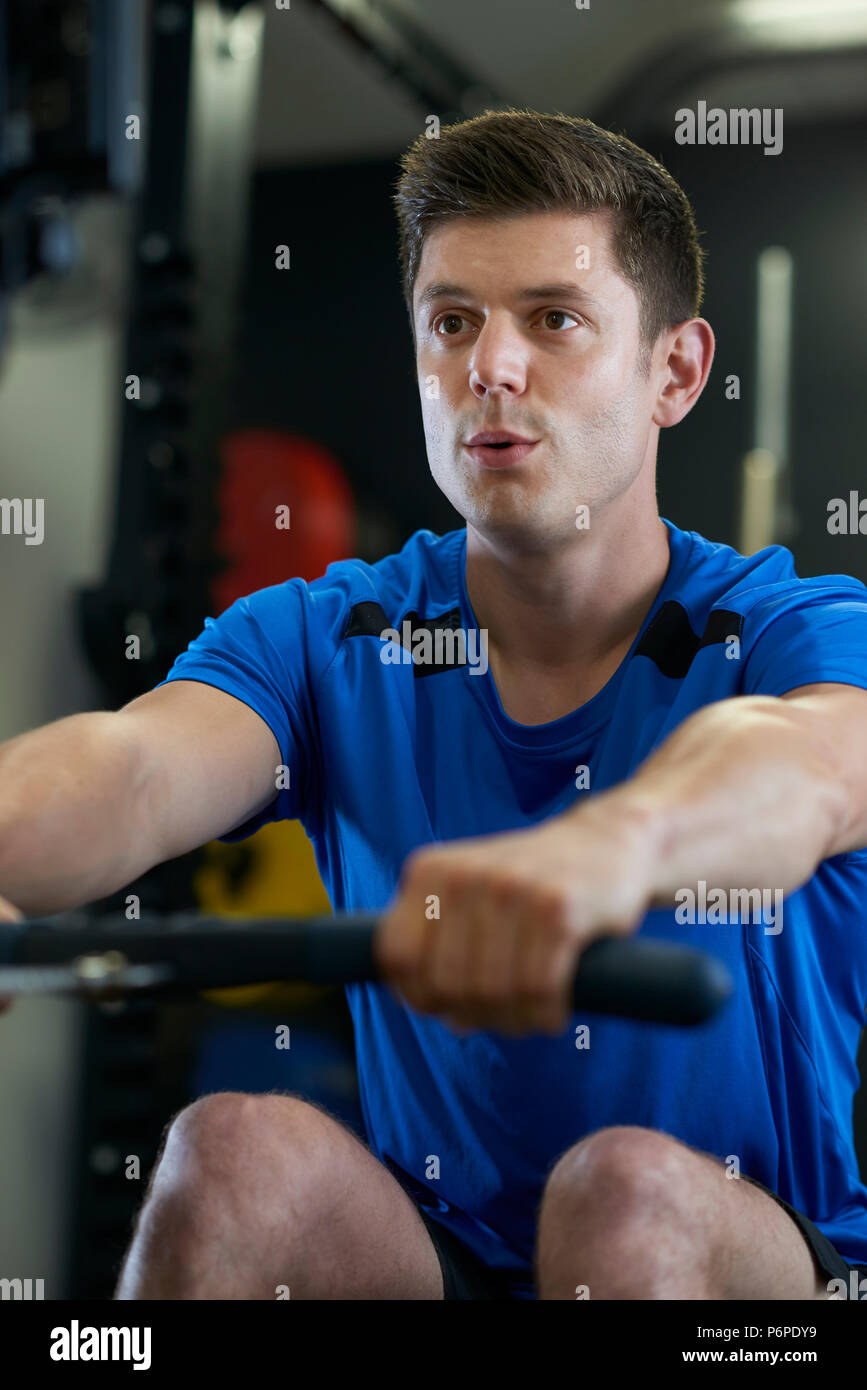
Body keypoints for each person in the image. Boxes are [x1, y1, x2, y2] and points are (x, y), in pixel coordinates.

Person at [2, 108, 867, 1301]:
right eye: (452, 322)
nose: (490, 367)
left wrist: (598, 853)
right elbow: (134, 768)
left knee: (622, 1198)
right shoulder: (331, 635)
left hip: (765, 1270)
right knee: (234, 1156)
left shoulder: (790, 632)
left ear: (675, 370)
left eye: (553, 320)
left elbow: (813, 767)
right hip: (443, 1261)